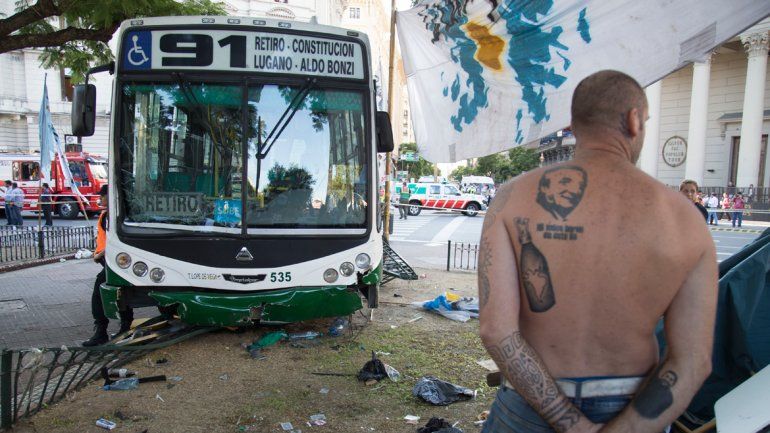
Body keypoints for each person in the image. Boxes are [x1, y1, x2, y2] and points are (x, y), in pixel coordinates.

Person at [478, 70, 716, 433]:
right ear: (635, 121)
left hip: (528, 407)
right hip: (633, 406)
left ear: (573, 124)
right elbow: (693, 361)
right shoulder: (684, 217)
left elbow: (498, 332)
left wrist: (574, 426)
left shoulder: (512, 199)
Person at [83, 185, 134, 347]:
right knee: (120, 292)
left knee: (101, 290)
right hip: (110, 261)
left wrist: (99, 254)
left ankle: (102, 330)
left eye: (103, 196)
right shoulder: (108, 215)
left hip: (116, 261)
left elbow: (116, 240)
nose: (101, 199)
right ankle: (123, 327)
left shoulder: (114, 216)